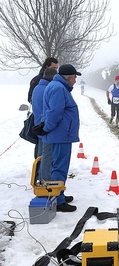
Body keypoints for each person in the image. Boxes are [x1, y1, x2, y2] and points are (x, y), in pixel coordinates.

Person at [33, 64, 81, 212]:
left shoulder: (57, 86)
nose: (75, 81)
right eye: (74, 78)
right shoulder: (59, 88)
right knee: (60, 166)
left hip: (60, 134)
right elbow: (55, 112)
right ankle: (58, 200)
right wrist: (46, 128)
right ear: (70, 77)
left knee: (59, 165)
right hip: (60, 135)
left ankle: (59, 193)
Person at [28, 57, 58, 158]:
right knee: (42, 151)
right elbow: (31, 98)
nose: (56, 70)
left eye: (57, 68)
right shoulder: (37, 80)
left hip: (44, 122)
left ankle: (39, 170)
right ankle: (38, 171)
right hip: (41, 122)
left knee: (43, 150)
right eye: (54, 68)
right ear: (46, 66)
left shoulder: (52, 81)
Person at [31, 67, 58, 181]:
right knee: (47, 154)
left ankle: (39, 175)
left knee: (41, 154)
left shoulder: (37, 88)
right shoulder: (48, 90)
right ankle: (45, 180)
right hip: (45, 127)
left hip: (38, 124)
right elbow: (51, 110)